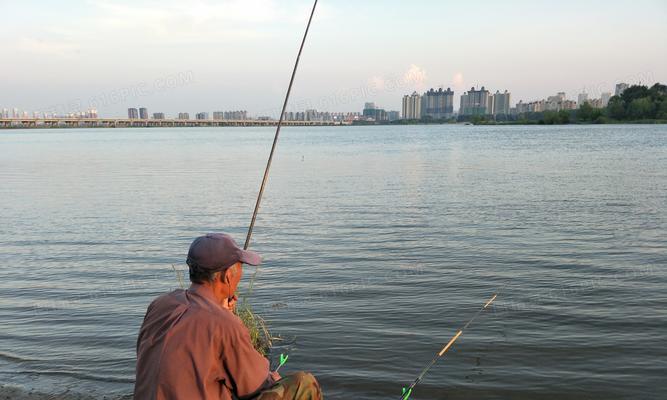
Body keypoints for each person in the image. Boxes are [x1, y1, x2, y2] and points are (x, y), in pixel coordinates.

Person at [134, 233, 323, 400]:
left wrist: (223, 313)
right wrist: (273, 377)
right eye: (240, 266)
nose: (240, 273)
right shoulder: (225, 324)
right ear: (227, 276)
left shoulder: (160, 304)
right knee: (303, 383)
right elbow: (254, 387)